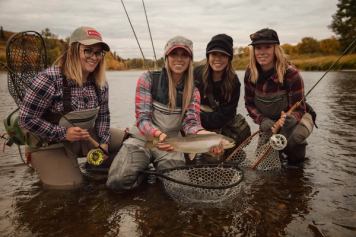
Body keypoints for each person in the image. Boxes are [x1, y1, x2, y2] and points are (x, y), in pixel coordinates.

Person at [106, 36, 222, 191]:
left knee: (179, 188)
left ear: (190, 60)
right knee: (117, 182)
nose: (179, 59)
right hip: (141, 139)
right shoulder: (147, 79)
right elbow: (142, 119)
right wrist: (159, 135)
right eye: (174, 54)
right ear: (167, 57)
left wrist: (203, 133)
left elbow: (191, 123)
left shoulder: (193, 90)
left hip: (172, 145)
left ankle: (155, 174)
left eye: (184, 55)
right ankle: (142, 173)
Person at [19, 26, 126, 189]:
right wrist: (63, 133)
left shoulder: (101, 84)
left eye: (98, 53)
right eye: (88, 51)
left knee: (130, 139)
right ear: (73, 51)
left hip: (84, 136)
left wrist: (104, 143)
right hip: (49, 143)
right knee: (73, 187)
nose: (94, 57)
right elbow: (26, 120)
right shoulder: (48, 79)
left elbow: (103, 115)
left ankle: (96, 166)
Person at [244, 28, 314, 165]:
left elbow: (300, 109)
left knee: (294, 139)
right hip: (269, 124)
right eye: (258, 48)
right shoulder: (250, 73)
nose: (262, 52)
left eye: (267, 47)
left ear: (276, 49)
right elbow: (249, 104)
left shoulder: (291, 74)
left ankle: (297, 164)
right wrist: (262, 120)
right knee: (263, 161)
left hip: (298, 118)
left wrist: (291, 118)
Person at [194, 34, 250, 154]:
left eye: (223, 55)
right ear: (208, 56)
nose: (218, 59)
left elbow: (225, 116)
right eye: (214, 54)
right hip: (194, 123)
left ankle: (231, 153)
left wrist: (202, 121)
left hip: (218, 124)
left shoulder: (234, 83)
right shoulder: (196, 74)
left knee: (214, 157)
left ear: (229, 58)